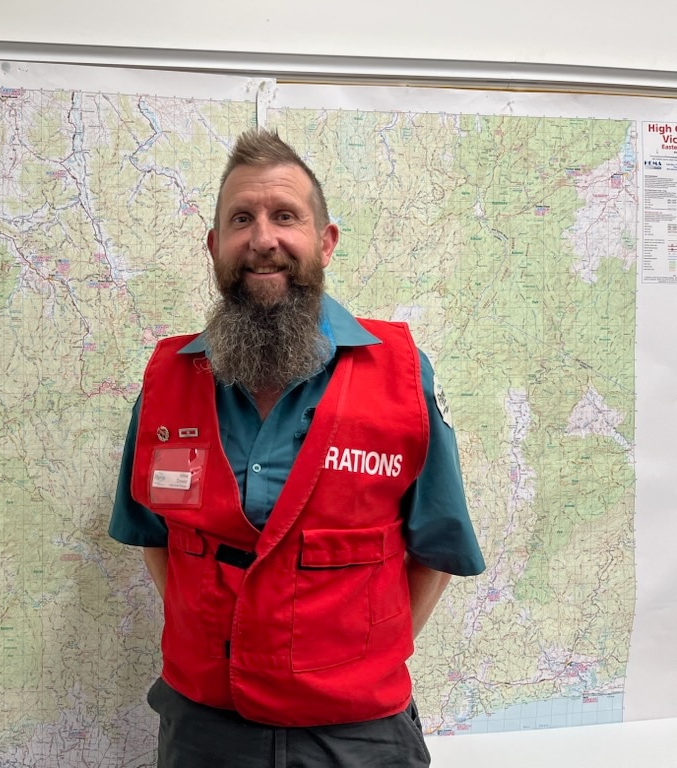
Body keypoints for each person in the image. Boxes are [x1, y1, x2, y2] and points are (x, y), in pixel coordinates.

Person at [109, 128, 485, 767]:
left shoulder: (402, 376)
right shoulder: (167, 381)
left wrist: (347, 669)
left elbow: (438, 549)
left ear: (325, 241)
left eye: (286, 216)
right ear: (214, 247)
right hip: (204, 731)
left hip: (358, 735)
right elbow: (153, 535)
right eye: (240, 220)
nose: (263, 239)